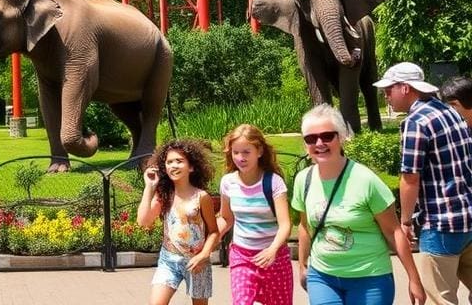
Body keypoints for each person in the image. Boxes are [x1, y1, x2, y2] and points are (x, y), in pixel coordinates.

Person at [292, 103, 425, 305]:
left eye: (327, 136)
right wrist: (302, 265)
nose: (319, 143)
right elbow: (305, 226)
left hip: (370, 278)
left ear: (342, 137)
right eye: (311, 139)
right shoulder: (304, 180)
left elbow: (393, 232)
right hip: (323, 277)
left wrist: (414, 279)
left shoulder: (366, 180)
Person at [375, 62, 472, 305]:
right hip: (468, 218)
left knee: (442, 300)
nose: (386, 95)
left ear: (405, 88)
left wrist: (405, 221)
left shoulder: (416, 122)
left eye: (389, 89)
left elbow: (410, 177)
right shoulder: (450, 112)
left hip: (440, 223)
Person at [217, 123, 293, 305]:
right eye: (235, 152)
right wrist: (208, 242)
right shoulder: (228, 183)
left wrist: (272, 250)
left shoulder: (273, 182)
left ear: (259, 151)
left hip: (274, 258)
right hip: (242, 256)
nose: (240, 158)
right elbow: (226, 219)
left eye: (246, 152)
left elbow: (285, 225)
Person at [137, 138, 219, 305]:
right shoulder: (164, 196)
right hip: (168, 260)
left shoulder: (201, 197)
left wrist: (204, 255)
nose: (173, 165)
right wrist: (149, 187)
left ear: (191, 167)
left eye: (179, 161)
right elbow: (143, 221)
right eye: (169, 162)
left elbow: (214, 231)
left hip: (197, 263)